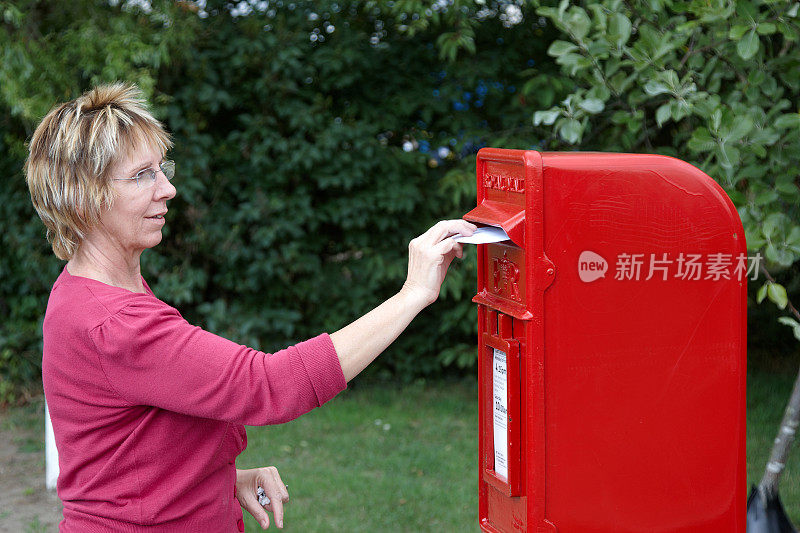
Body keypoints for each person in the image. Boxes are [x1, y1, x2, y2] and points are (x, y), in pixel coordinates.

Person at [25, 82, 476, 532]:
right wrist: (412, 294)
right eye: (142, 175)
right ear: (84, 198)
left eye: (162, 168)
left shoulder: (88, 290)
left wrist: (222, 478)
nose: (168, 189)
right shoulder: (116, 323)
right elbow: (270, 386)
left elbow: (126, 450)